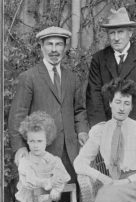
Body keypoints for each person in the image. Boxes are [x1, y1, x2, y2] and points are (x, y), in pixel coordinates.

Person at [8, 26, 89, 184]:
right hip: (41, 155)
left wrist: (82, 131)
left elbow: (79, 111)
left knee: (69, 200)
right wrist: (20, 148)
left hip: (70, 155)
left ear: (65, 47)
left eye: (58, 44)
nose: (54, 49)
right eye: (49, 44)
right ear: (41, 47)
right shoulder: (29, 78)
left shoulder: (73, 78)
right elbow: (17, 116)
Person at [86, 7, 136, 132]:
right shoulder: (99, 59)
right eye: (112, 33)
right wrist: (100, 128)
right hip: (107, 128)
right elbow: (94, 96)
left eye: (120, 32)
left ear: (130, 33)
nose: (116, 38)